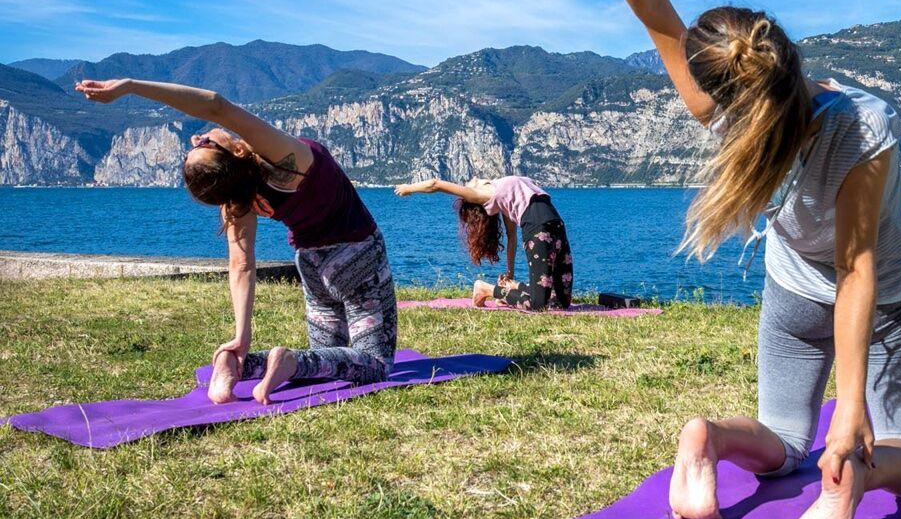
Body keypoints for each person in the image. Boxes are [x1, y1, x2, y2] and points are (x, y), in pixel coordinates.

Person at [522, 0, 901, 519]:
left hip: (790, 297)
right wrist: (848, 418)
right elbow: (855, 269)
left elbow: (650, 9)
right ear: (784, 51)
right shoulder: (862, 126)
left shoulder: (718, 114)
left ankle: (707, 440)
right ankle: (852, 481)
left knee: (781, 439)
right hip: (885, 301)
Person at [76, 78, 396, 405]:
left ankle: (238, 366)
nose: (199, 135)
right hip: (358, 258)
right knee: (375, 364)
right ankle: (289, 361)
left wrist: (241, 337)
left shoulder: (238, 199)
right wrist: (130, 86)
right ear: (237, 149)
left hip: (312, 267)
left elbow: (241, 265)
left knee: (326, 360)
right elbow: (217, 105)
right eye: (204, 142)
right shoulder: (283, 159)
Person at [393, 176, 573, 311]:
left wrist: (510, 275)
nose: (470, 180)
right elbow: (436, 184)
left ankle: (512, 288)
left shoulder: (503, 194)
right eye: (467, 186)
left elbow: (512, 237)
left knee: (561, 302)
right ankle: (485, 289)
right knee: (538, 305)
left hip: (557, 225)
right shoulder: (482, 194)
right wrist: (409, 188)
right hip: (538, 229)